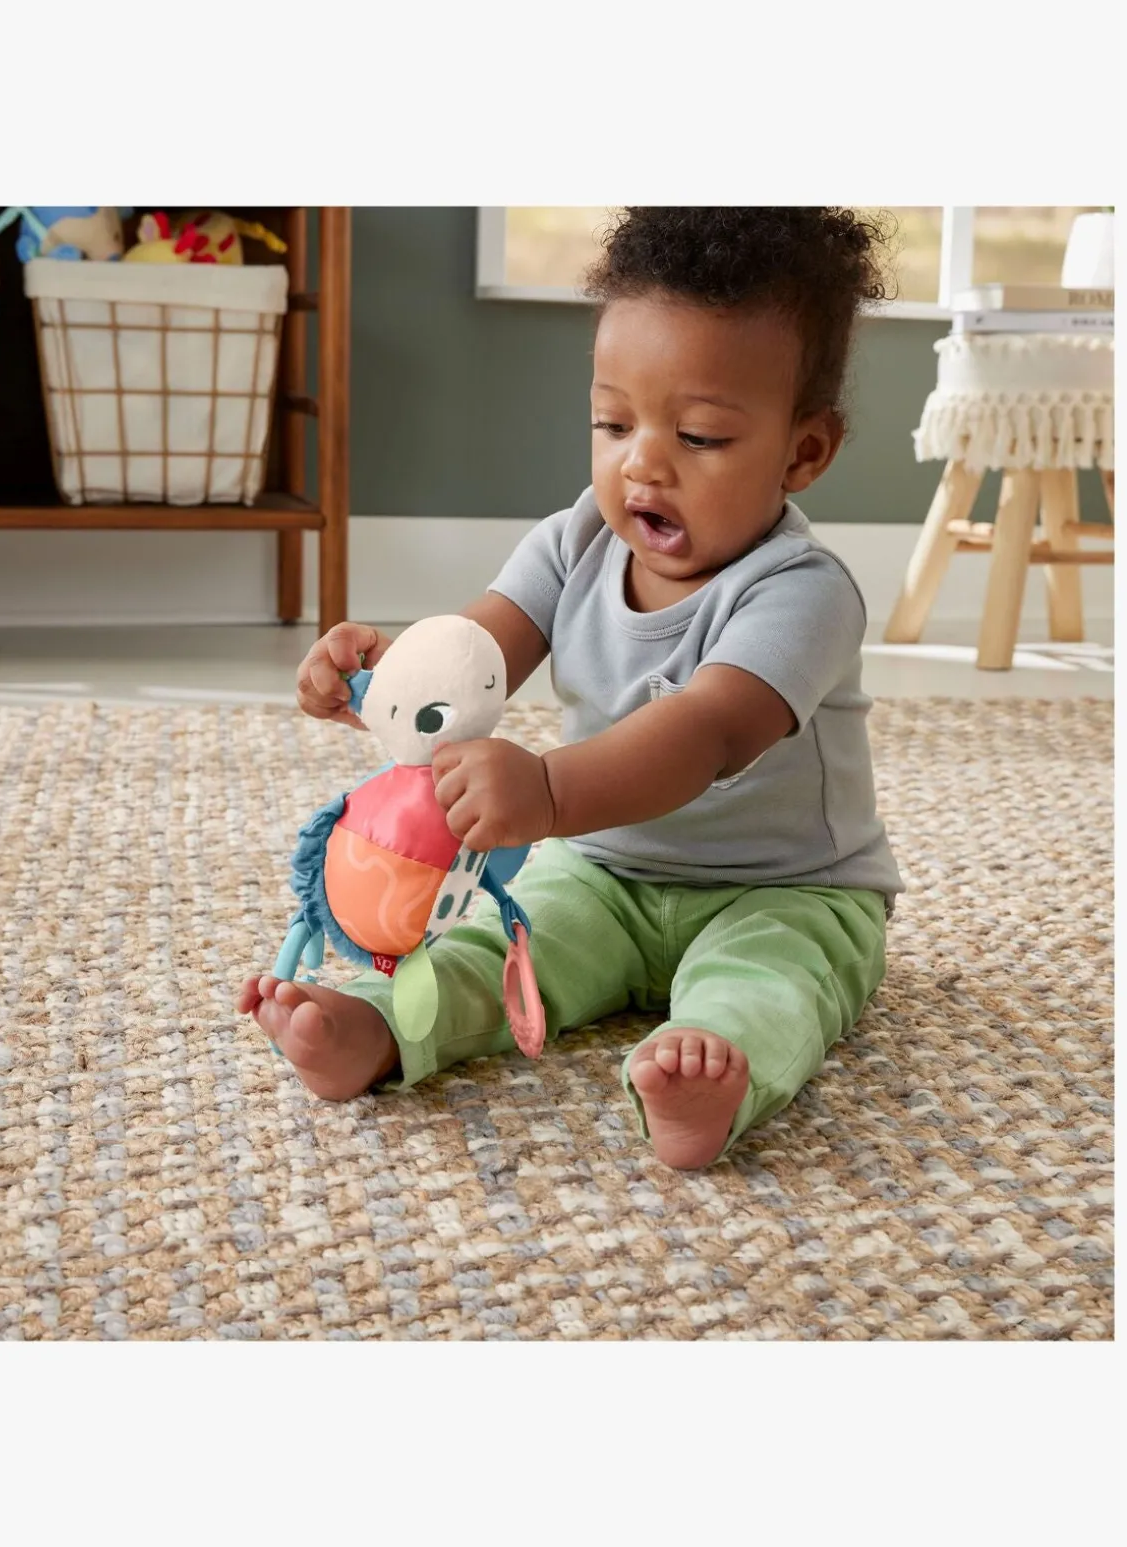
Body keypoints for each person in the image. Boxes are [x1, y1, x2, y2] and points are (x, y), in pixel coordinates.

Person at [237, 206, 903, 1169]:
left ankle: (712, 1077)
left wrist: (546, 792)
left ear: (803, 451)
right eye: (614, 422)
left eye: (700, 435)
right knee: (495, 946)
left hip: (786, 887)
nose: (643, 462)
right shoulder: (574, 541)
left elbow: (708, 732)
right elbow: (475, 657)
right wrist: (384, 678)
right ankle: (378, 1028)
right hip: (602, 871)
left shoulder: (804, 593)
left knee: (772, 980)